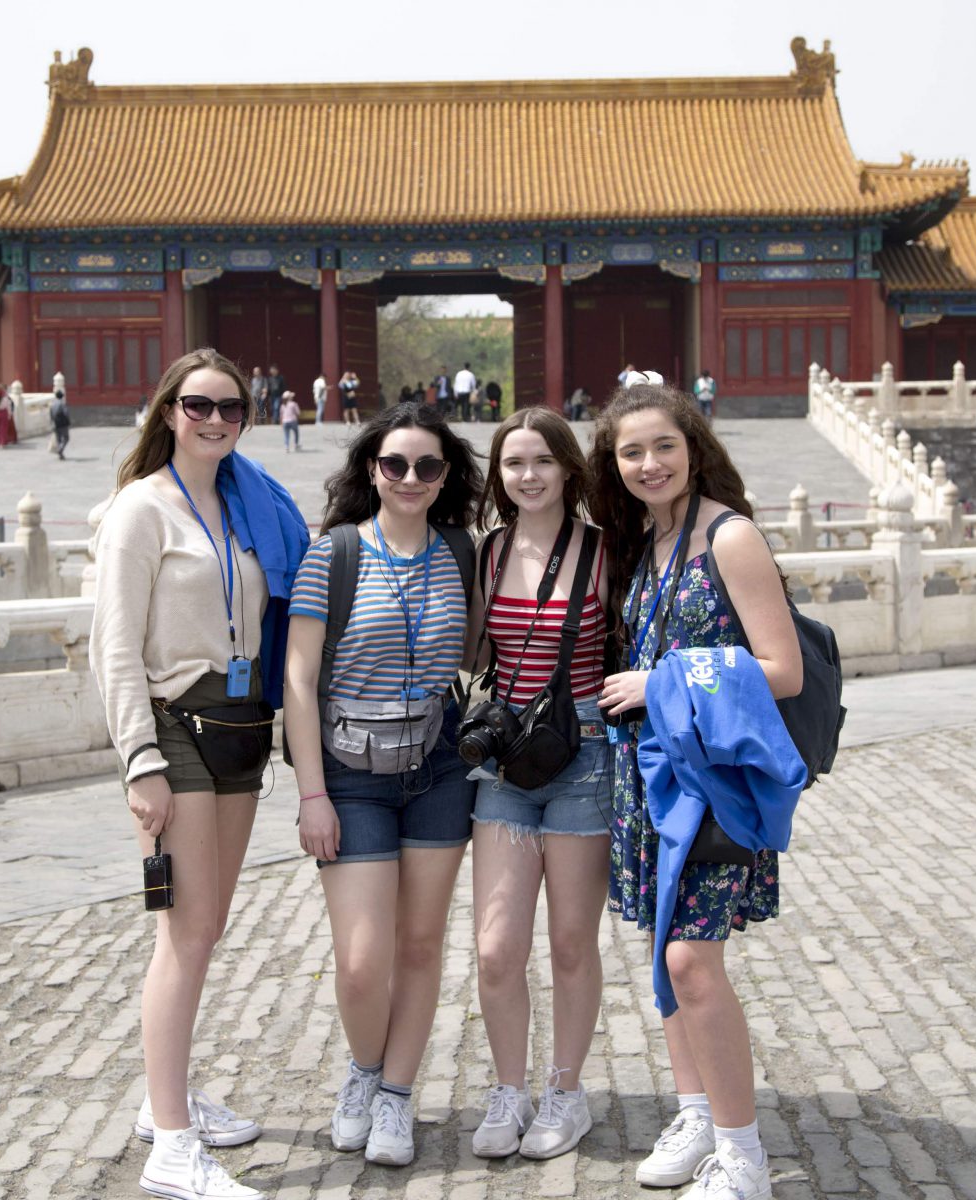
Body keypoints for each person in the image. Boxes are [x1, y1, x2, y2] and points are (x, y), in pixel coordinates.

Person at [92, 347, 309, 1200]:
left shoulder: (250, 506)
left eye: (231, 409)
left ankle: (165, 1096)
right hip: (174, 725)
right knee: (185, 932)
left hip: (240, 725)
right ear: (167, 411)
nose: (214, 421)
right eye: (197, 406)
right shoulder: (141, 511)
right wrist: (138, 762)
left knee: (207, 921)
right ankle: (173, 1147)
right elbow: (114, 648)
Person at [588, 378, 804, 1200]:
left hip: (713, 786)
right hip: (648, 781)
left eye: (663, 447)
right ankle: (696, 1114)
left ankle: (743, 1154)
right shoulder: (644, 542)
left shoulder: (730, 537)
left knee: (691, 961)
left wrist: (659, 685)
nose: (649, 464)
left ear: (694, 448)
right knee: (664, 956)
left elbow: (780, 671)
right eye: (631, 452)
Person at [284, 402, 484, 1168]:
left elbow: (480, 651)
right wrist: (311, 794)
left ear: (444, 479)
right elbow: (299, 682)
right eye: (395, 464)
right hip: (349, 773)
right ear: (373, 471)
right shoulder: (332, 554)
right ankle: (364, 1073)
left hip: (436, 767)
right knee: (362, 959)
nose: (409, 477)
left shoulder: (461, 553)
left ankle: (397, 1096)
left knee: (422, 942)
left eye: (426, 466)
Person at [464, 409, 612, 1161]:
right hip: (505, 761)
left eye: (542, 462)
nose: (527, 476)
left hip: (583, 755)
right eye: (513, 463)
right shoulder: (485, 554)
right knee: (497, 947)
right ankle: (508, 1089)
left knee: (569, 942)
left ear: (568, 469)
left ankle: (565, 1090)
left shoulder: (603, 552)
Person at [50, 384, 72, 461]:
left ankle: (61, 453)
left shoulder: (52, 404)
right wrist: (68, 421)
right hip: (63, 423)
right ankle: (60, 449)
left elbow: (51, 415)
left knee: (59, 439)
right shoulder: (62, 404)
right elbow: (66, 413)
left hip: (56, 423)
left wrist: (52, 423)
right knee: (66, 438)